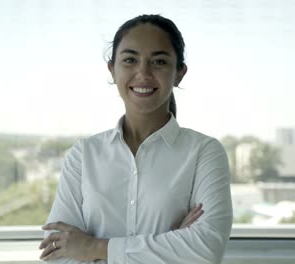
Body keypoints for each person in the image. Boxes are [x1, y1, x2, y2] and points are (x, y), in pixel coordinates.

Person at [39, 14, 232, 263]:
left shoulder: (204, 153)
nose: (143, 73)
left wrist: (93, 248)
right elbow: (57, 253)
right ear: (112, 69)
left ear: (179, 73)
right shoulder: (84, 155)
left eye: (159, 62)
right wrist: (171, 244)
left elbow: (206, 249)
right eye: (130, 60)